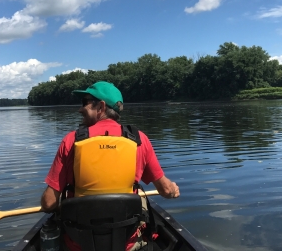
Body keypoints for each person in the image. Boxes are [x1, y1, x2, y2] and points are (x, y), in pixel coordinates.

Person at [40, 81, 180, 250]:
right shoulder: (139, 140)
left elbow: (48, 203)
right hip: (126, 244)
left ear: (101, 106)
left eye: (84, 103)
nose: (80, 109)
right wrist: (173, 189)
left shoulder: (71, 141)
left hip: (78, 245)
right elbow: (165, 191)